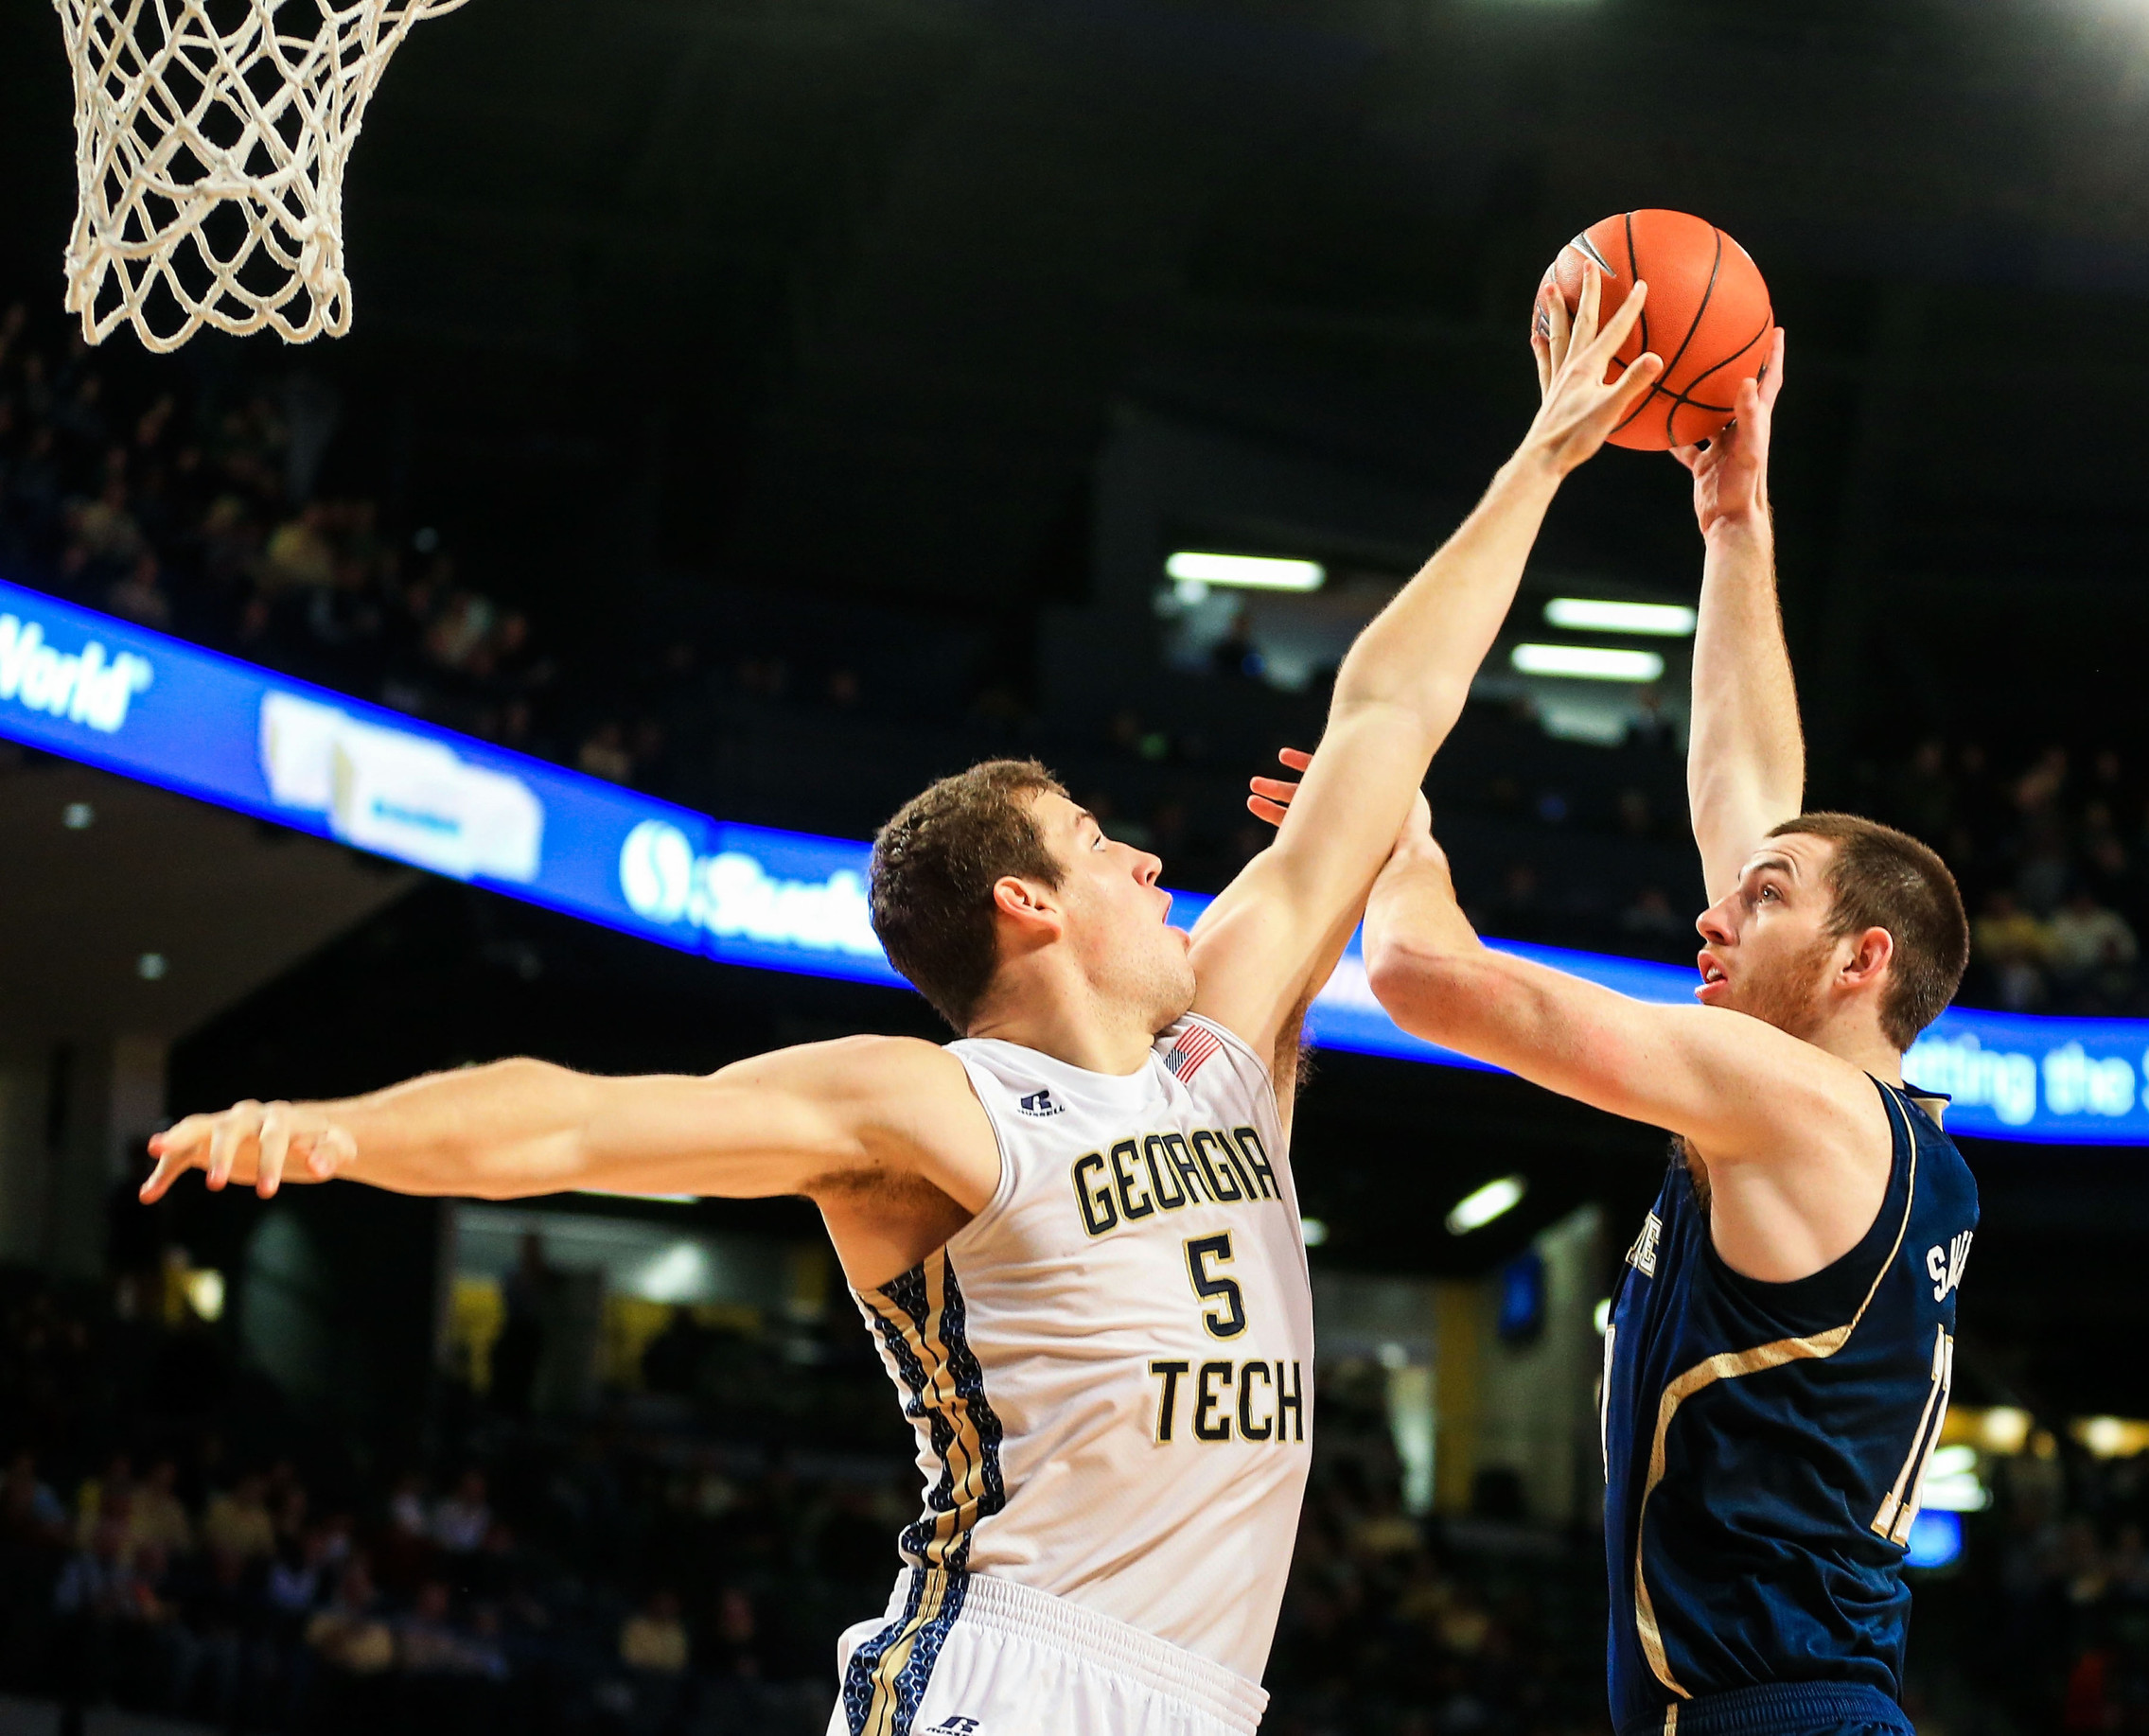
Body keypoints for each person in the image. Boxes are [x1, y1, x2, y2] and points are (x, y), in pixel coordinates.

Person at [136, 258, 1668, 1736]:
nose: (1149, 861)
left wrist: (1542, 460)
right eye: (1096, 843)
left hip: (1202, 1701)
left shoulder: (1219, 1049)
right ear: (1026, 903)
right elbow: (585, 1120)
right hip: (1007, 1671)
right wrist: (328, 1131)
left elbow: (1387, 714)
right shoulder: (934, 1103)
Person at [1256, 328, 1977, 1736]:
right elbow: (1750, 789)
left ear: (1858, 960)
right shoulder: (1860, 1126)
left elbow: (1421, 977)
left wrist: (1396, 829)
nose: (1712, 916)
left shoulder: (1795, 1107)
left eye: (1759, 903)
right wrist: (1734, 523)